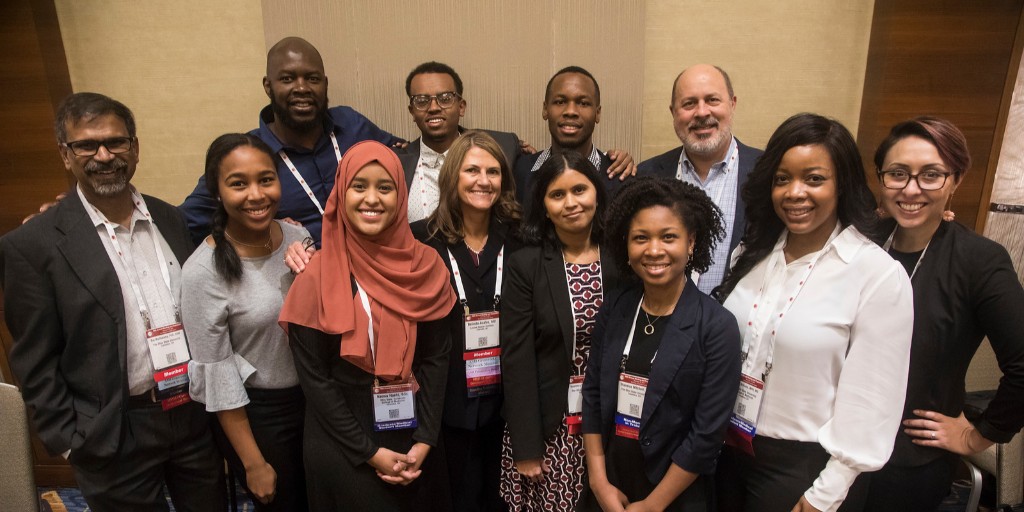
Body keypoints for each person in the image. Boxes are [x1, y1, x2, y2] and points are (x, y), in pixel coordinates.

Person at [0, 92, 225, 511]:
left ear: (135, 147)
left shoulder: (170, 218)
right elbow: (32, 359)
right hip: (112, 431)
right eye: (87, 145)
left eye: (116, 142)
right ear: (66, 155)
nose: (104, 155)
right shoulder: (33, 244)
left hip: (191, 415)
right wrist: (70, 441)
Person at [714, 113, 914, 512]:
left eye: (814, 179)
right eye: (782, 178)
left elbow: (874, 402)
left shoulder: (875, 274)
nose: (795, 192)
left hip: (805, 469)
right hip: (729, 450)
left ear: (843, 185)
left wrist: (826, 492)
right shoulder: (753, 253)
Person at [278, 140, 456, 510]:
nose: (371, 199)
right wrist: (369, 451)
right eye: (359, 186)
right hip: (342, 440)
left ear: (400, 194)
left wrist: (425, 439)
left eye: (385, 187)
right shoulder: (316, 273)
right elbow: (315, 379)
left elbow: (437, 360)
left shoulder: (427, 265)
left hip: (415, 429)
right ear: (342, 193)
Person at [862, 117, 1024, 512]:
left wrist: (978, 436)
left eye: (931, 175)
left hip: (905, 463)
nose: (911, 189)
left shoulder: (978, 261)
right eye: (897, 174)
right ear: (881, 179)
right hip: (832, 441)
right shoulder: (863, 240)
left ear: (956, 180)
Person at [580, 177, 741, 511]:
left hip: (675, 496)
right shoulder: (616, 307)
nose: (654, 250)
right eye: (641, 238)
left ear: (691, 242)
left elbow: (706, 435)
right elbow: (593, 394)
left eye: (669, 237)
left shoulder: (716, 326)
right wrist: (598, 482)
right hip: (610, 484)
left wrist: (654, 505)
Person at [182, 133, 310, 510]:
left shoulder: (297, 236)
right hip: (258, 416)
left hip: (313, 400)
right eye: (239, 184)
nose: (256, 194)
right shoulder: (202, 273)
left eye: (266, 180)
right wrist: (253, 463)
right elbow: (218, 376)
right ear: (216, 191)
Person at [180, 37, 404, 247]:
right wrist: (258, 227)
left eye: (312, 79)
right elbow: (184, 224)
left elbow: (403, 155)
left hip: (373, 267)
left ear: (325, 84)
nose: (302, 88)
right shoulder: (248, 154)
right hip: (299, 279)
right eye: (287, 79)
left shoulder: (351, 125)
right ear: (268, 86)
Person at [499, 150, 621, 511]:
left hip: (610, 420)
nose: (571, 203)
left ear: (597, 192)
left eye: (580, 190)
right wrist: (526, 447)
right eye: (557, 195)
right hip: (551, 428)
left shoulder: (622, 257)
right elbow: (517, 358)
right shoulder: (526, 264)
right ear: (544, 205)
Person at [411, 130, 523, 511]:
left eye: (493, 172)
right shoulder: (419, 241)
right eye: (472, 169)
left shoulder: (521, 239)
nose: (483, 180)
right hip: (444, 402)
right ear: (452, 175)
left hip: (507, 404)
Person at [637, 64, 764, 293]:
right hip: (667, 323)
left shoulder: (766, 172)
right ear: (673, 112)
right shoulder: (646, 175)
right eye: (689, 103)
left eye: (712, 100)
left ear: (732, 104)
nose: (702, 112)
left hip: (740, 324)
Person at [399, 61, 524, 223]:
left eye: (445, 98)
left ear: (461, 107)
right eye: (422, 101)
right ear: (412, 112)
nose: (434, 107)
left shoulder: (503, 146)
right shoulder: (398, 162)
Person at [513, 66, 634, 209]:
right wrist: (513, 144)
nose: (570, 111)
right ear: (545, 109)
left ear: (597, 113)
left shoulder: (620, 177)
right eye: (560, 102)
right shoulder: (519, 171)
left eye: (583, 103)